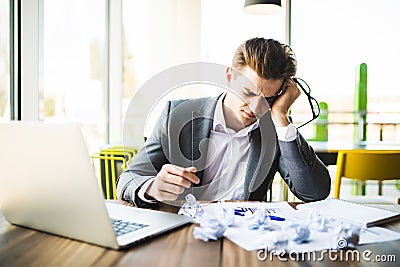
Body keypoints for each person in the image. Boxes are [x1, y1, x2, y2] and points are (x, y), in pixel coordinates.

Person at [117, 37, 331, 208]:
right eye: (248, 92)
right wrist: (153, 187)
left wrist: (281, 117)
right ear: (229, 77)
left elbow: (315, 192)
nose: (256, 108)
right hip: (183, 230)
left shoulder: (276, 130)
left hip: (245, 238)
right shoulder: (177, 114)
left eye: (268, 99)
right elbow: (129, 179)